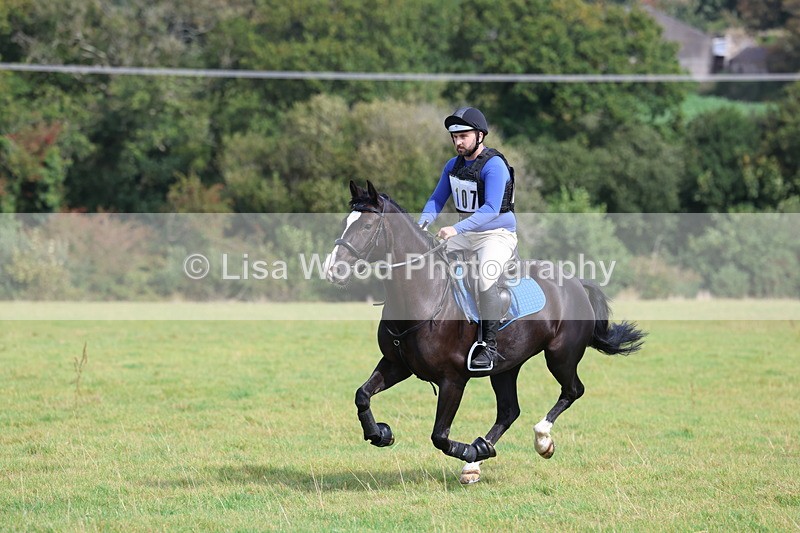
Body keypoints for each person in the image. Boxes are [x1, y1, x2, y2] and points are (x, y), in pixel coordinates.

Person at [418, 106, 517, 370]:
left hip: (496, 234)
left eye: (464, 136)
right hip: (467, 233)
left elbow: (491, 209)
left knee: (485, 276)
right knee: (426, 258)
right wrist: (422, 224)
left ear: (480, 135)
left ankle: (489, 346)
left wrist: (456, 229)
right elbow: (436, 199)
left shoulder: (494, 165)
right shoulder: (453, 166)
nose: (458, 142)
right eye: (455, 137)